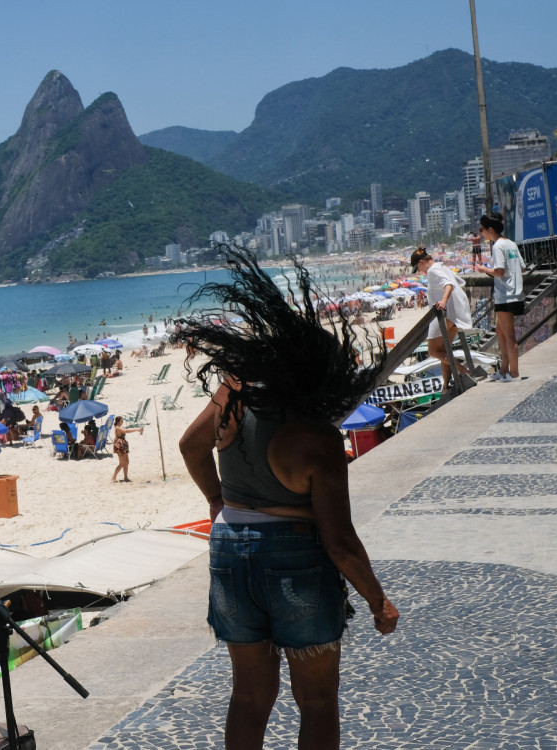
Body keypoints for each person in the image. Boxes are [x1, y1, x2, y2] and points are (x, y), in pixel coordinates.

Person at [171, 247, 399, 749]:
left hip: (230, 548)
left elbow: (190, 445)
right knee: (316, 701)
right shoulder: (316, 439)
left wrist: (215, 498)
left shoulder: (234, 395)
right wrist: (377, 599)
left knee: (249, 696)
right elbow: (339, 542)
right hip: (295, 555)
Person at [410, 248, 473, 394]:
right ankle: (445, 387)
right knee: (444, 351)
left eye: (418, 268)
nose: (419, 272)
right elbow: (459, 281)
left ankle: (464, 370)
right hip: (459, 313)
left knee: (433, 351)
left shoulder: (432, 271)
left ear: (421, 262)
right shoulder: (442, 266)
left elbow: (448, 285)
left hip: (447, 314)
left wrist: (443, 300)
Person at [474, 211, 524, 381]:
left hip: (506, 295)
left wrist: (484, 269)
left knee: (509, 335)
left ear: (489, 229)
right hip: (515, 292)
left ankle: (514, 372)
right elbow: (521, 267)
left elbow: (500, 272)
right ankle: (503, 369)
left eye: (482, 229)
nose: (481, 232)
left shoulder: (497, 246)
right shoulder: (511, 244)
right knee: (500, 331)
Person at [111, 416, 142, 481]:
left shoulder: (119, 427)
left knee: (126, 462)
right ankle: (113, 477)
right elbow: (126, 431)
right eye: (122, 420)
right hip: (119, 446)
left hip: (123, 445)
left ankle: (125, 477)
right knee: (122, 463)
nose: (123, 421)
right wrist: (137, 430)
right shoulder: (117, 428)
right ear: (119, 421)